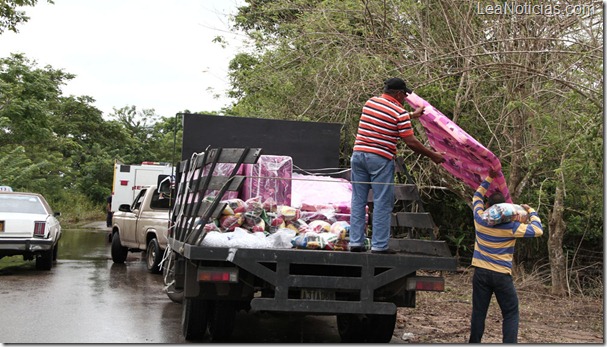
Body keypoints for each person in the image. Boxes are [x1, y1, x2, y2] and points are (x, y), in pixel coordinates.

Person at [349, 77, 445, 254]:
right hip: (379, 159)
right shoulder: (399, 113)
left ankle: (355, 242)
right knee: (382, 202)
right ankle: (379, 245)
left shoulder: (370, 103)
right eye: (404, 95)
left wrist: (411, 115)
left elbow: (386, 118)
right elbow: (411, 142)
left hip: (358, 156)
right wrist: (433, 155)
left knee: (358, 200)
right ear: (399, 94)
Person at [469, 168, 544, 343]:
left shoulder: (479, 220)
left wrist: (489, 177)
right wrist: (531, 211)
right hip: (502, 276)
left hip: (480, 273)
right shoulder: (512, 228)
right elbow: (538, 230)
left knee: (479, 313)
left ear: (488, 207)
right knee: (510, 313)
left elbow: (476, 197)